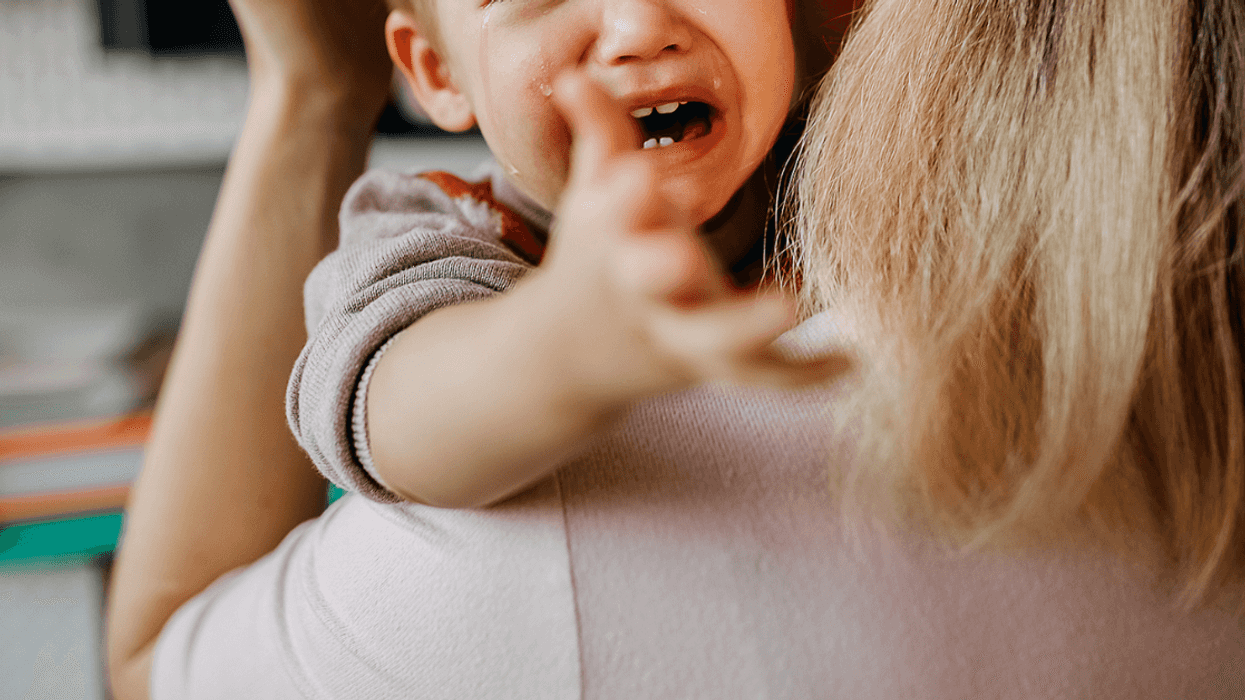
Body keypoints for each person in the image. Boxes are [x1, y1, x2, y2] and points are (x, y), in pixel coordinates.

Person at [107, 0, 1245, 698]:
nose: (637, 21)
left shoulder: (867, 173)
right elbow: (398, 418)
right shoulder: (437, 231)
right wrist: (559, 345)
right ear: (439, 72)